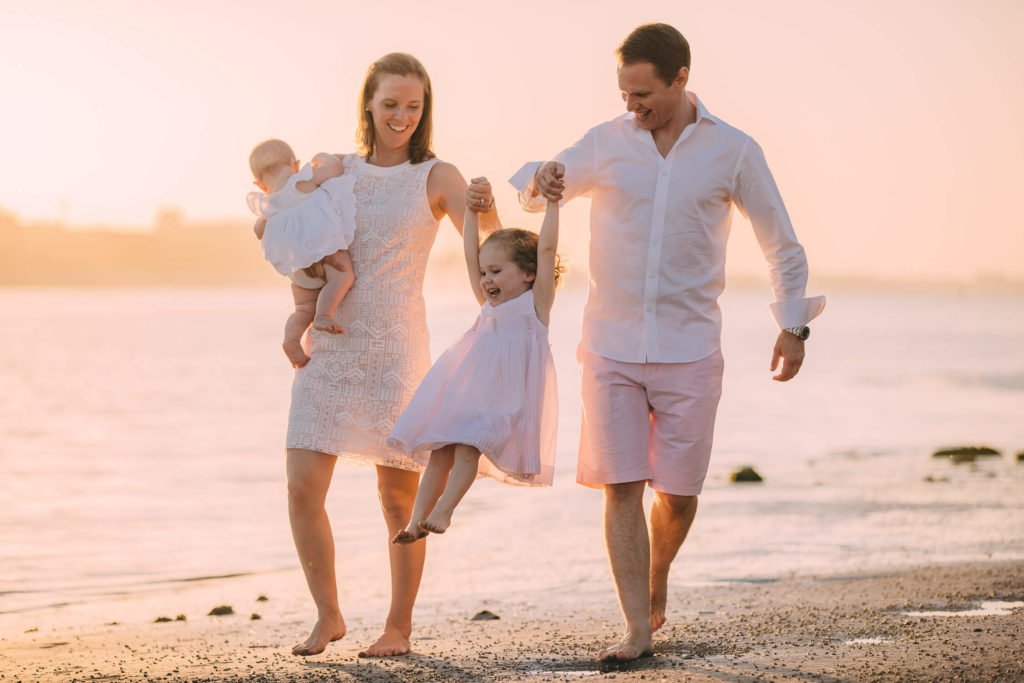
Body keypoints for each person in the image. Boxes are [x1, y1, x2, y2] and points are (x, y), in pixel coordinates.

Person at [511, 23, 825, 662]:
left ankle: (655, 576)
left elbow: (779, 243)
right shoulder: (606, 142)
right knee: (621, 485)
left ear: (681, 79)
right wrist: (539, 176)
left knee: (678, 496)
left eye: (644, 93)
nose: (633, 106)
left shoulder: (734, 151)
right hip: (609, 348)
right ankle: (635, 628)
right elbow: (542, 185)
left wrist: (792, 326)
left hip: (690, 349)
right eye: (625, 93)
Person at [281, 53, 501, 658]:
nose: (402, 115)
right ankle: (328, 615)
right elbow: (294, 229)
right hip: (329, 347)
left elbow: (490, 248)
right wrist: (300, 306)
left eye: (414, 105)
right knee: (302, 489)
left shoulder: (436, 175)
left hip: (396, 351)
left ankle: (398, 627)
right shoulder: (340, 171)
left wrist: (484, 203)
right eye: (390, 104)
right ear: (368, 106)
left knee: (399, 500)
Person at [387, 180, 561, 543]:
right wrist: (471, 211)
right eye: (484, 273)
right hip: (466, 391)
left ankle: (444, 512)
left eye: (496, 272)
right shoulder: (488, 306)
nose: (485, 280)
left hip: (503, 400)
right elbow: (470, 254)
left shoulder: (535, 307)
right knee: (441, 450)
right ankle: (414, 522)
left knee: (468, 448)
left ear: (528, 273)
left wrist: (553, 206)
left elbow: (546, 249)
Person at [247, 139, 357, 368]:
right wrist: (322, 156)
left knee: (302, 308)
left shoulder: (268, 204)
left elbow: (259, 231)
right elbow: (335, 168)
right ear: (295, 164)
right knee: (344, 275)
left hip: (297, 267)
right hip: (324, 250)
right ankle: (323, 315)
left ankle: (291, 339)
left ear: (260, 184)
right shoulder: (302, 180)